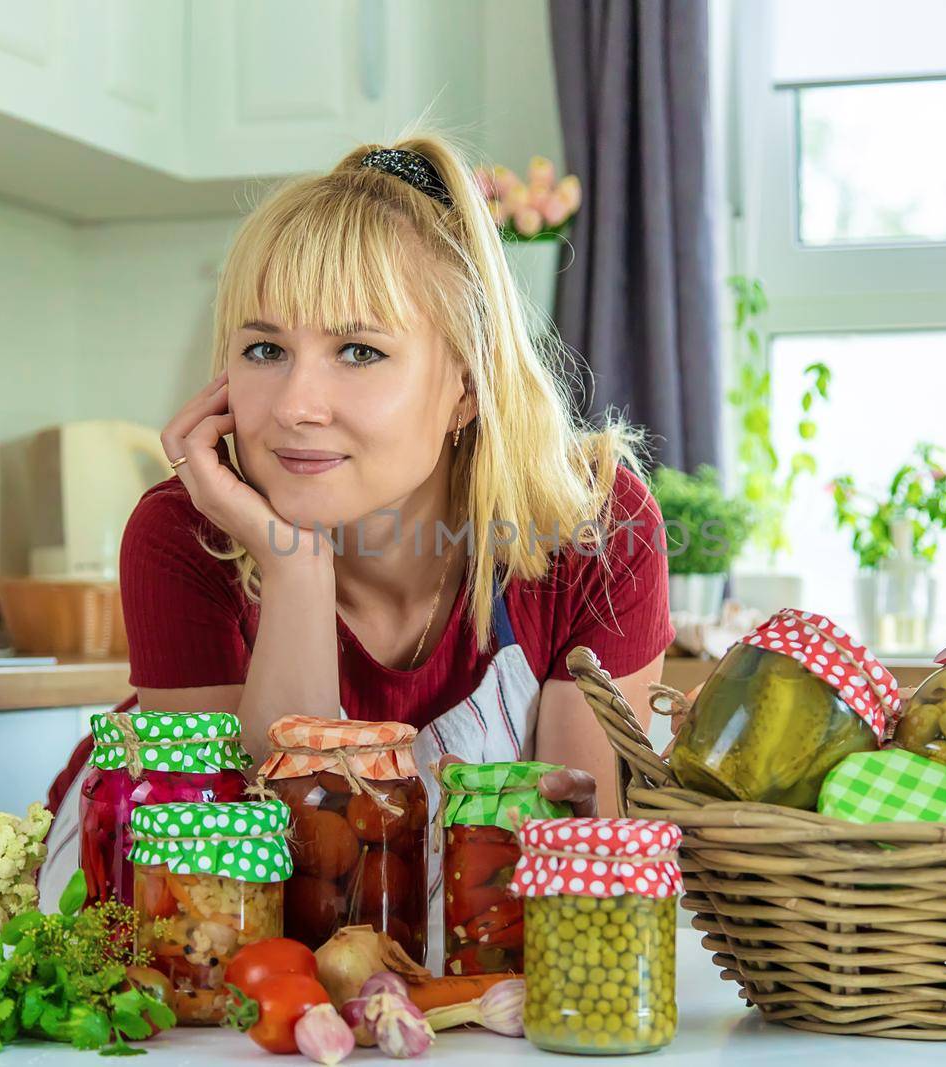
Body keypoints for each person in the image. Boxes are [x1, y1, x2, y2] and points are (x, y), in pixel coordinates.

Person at [43, 134, 675, 901]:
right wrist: (295, 567)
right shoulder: (186, 536)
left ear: (468, 388)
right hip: (189, 919)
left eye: (359, 351)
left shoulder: (593, 527)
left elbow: (576, 877)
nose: (293, 407)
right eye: (266, 348)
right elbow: (259, 900)